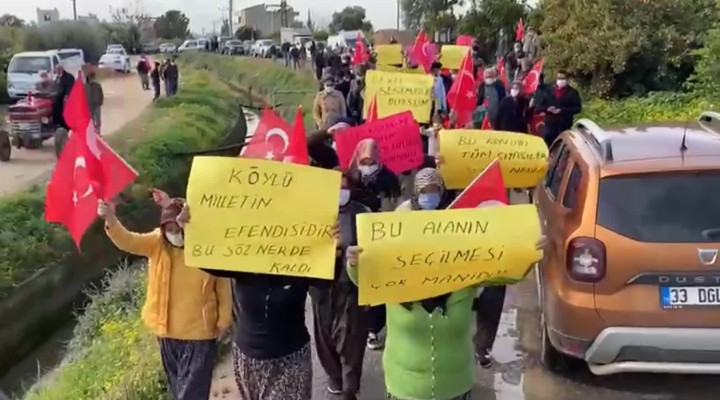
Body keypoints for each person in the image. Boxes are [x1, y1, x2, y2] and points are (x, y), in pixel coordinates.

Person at [178, 196, 341, 400]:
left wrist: (331, 252)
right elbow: (205, 258)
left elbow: (324, 283)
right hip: (247, 359)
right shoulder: (245, 259)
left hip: (290, 360)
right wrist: (189, 229)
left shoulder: (302, 258)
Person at [97, 190, 232, 400]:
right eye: (168, 229)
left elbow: (222, 284)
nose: (173, 233)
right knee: (179, 390)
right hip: (167, 334)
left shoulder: (206, 247)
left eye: (177, 228)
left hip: (199, 334)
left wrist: (224, 319)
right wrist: (111, 219)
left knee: (191, 394)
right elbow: (129, 241)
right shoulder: (157, 243)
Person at [311, 170, 371, 400]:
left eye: (344, 187)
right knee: (325, 339)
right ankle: (334, 377)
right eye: (334, 187)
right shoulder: (314, 214)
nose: (340, 192)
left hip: (350, 289)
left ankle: (349, 387)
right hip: (321, 289)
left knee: (351, 339)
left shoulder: (361, 214)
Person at [347, 139, 401, 350]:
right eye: (364, 160)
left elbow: (395, 204)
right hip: (357, 238)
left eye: (371, 161)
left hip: (382, 237)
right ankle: (360, 325)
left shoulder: (389, 178)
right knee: (359, 282)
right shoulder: (352, 179)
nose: (367, 165)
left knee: (378, 283)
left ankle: (374, 329)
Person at [541, 70, 582, 147]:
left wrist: (562, 110)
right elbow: (540, 106)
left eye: (563, 78)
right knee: (548, 142)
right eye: (559, 78)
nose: (561, 80)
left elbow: (577, 108)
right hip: (550, 123)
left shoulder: (573, 92)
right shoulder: (547, 91)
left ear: (567, 80)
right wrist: (547, 109)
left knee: (562, 144)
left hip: (564, 123)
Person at [53, 64, 75, 130]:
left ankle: (66, 126)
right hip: (57, 99)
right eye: (57, 69)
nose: (58, 71)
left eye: (59, 69)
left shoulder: (69, 77)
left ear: (62, 69)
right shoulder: (56, 78)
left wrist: (67, 95)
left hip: (65, 99)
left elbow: (70, 86)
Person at [85, 70, 104, 135]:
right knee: (91, 120)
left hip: (96, 104)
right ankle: (93, 132)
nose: (92, 78)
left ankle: (98, 131)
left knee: (97, 119)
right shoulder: (85, 86)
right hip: (88, 105)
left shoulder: (98, 85)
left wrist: (100, 102)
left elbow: (101, 94)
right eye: (91, 77)